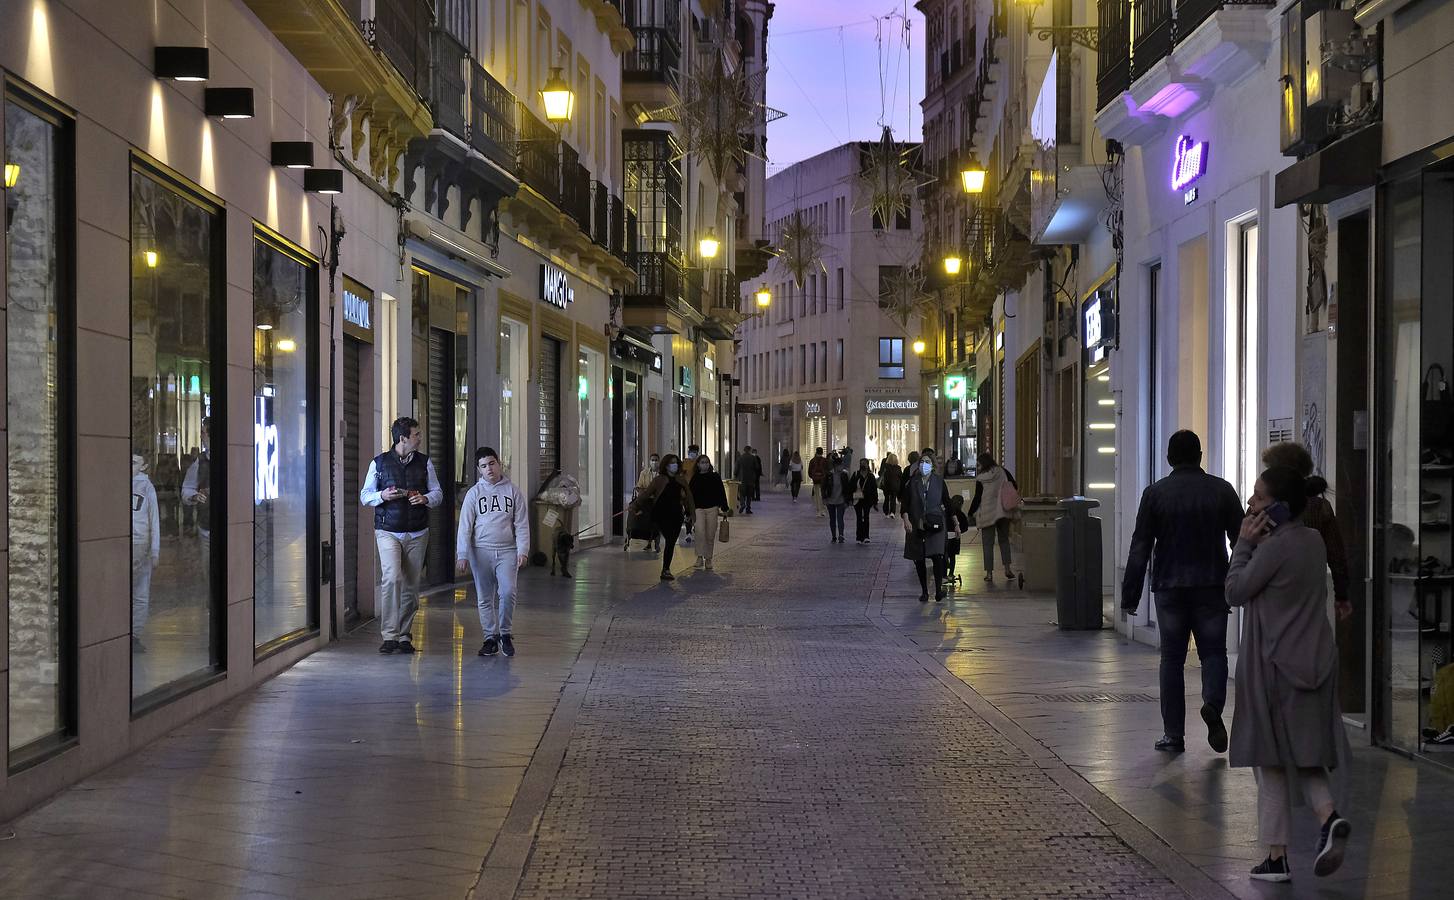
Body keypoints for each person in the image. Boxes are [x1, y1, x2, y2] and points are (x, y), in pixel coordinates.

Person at [1226, 466, 1353, 882]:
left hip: (1275, 666)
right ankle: (1319, 824)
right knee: (1306, 755)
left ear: (1279, 508)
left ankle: (1281, 855)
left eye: (1259, 498)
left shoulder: (1274, 549)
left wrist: (1244, 545)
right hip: (1315, 661)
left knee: (1271, 760)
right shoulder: (1312, 541)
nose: (1250, 503)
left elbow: (1236, 590)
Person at [1121, 430, 1245, 753]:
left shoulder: (1155, 494)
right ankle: (1213, 706)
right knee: (1214, 653)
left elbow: (1140, 547)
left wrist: (1130, 594)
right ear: (1200, 455)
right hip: (1212, 586)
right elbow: (1243, 540)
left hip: (1170, 588)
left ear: (1169, 458)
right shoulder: (1222, 490)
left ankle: (1174, 735)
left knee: (1172, 659)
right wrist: (1239, 577)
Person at [360, 416, 444, 654]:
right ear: (403, 438)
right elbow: (365, 495)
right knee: (392, 577)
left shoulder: (425, 463)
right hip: (388, 531)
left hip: (418, 531)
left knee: (410, 586)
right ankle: (389, 635)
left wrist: (425, 498)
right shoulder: (379, 463)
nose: (420, 438)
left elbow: (438, 493)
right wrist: (382, 497)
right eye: (416, 434)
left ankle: (404, 634)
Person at [1261, 442, 1353, 623]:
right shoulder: (1320, 507)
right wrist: (1341, 594)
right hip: (1310, 589)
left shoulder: (1263, 506)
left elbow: (1247, 547)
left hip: (1271, 587)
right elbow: (1337, 556)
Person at [455, 448, 530, 658]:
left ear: (499, 464)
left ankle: (505, 633)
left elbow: (522, 524)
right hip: (481, 552)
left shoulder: (513, 492)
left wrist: (523, 549)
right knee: (484, 597)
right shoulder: (473, 494)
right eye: (484, 466)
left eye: (492, 463)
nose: (489, 468)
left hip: (508, 551)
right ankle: (490, 637)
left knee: (507, 592)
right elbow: (465, 526)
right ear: (479, 470)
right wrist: (462, 554)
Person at [901, 450, 953, 602]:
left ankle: (938, 590)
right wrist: (906, 520)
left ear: (932, 465)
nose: (924, 465)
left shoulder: (939, 481)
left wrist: (955, 522)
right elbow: (905, 504)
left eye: (928, 462)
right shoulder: (912, 482)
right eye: (922, 462)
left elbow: (947, 502)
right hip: (917, 524)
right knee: (919, 558)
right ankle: (924, 591)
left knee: (937, 556)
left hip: (935, 523)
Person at [967, 452, 1019, 584]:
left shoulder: (981, 478)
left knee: (987, 544)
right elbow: (1014, 485)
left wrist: (970, 512)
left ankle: (989, 574)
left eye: (978, 464)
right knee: (1004, 541)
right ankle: (1007, 569)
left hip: (987, 513)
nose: (977, 467)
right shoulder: (1002, 472)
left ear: (983, 464)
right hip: (1003, 512)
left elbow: (977, 497)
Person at [642, 454, 694, 580]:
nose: (674, 465)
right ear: (666, 465)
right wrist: (634, 506)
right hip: (661, 515)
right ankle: (665, 569)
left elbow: (689, 497)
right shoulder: (658, 480)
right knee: (670, 539)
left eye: (676, 462)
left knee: (670, 542)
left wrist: (692, 513)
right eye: (671, 463)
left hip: (676, 515)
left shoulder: (681, 480)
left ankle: (666, 569)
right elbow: (645, 494)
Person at [130, 454, 160, 654]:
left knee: (140, 592)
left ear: (144, 466)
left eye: (134, 462)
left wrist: (155, 549)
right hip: (123, 543)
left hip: (141, 543)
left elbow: (154, 518)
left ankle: (135, 633)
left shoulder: (147, 487)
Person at [180, 415, 214, 583]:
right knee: (208, 573)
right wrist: (194, 496)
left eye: (204, 432)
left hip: (225, 526)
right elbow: (187, 488)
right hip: (206, 526)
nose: (201, 436)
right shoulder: (199, 462)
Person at [689, 454, 731, 571]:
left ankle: (708, 559)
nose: (705, 464)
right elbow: (690, 496)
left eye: (707, 462)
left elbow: (721, 492)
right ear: (698, 464)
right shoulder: (695, 478)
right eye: (702, 462)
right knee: (700, 532)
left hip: (712, 508)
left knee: (710, 534)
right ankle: (699, 556)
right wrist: (688, 511)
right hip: (699, 509)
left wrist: (725, 508)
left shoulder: (715, 477)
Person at [629, 453, 661, 552]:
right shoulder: (644, 473)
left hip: (657, 501)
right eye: (652, 460)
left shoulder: (662, 474)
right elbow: (639, 487)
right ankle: (644, 540)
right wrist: (646, 492)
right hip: (646, 500)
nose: (654, 462)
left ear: (659, 461)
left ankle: (656, 542)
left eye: (656, 460)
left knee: (655, 520)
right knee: (642, 518)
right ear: (649, 461)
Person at [849, 457, 879, 544]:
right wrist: (850, 499)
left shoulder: (871, 476)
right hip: (857, 500)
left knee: (866, 517)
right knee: (859, 518)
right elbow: (850, 487)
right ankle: (859, 537)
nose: (863, 465)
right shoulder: (855, 475)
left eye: (864, 463)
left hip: (867, 500)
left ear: (867, 465)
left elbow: (874, 489)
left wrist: (875, 502)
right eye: (861, 463)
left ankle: (866, 536)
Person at [822, 453, 851, 543]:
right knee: (832, 519)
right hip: (830, 500)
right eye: (840, 465)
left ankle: (841, 535)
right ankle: (834, 536)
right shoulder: (829, 475)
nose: (841, 467)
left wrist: (848, 501)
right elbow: (824, 487)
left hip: (841, 500)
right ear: (835, 466)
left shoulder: (844, 475)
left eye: (842, 465)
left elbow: (847, 488)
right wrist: (824, 498)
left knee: (840, 518)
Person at [945, 494, 971, 585]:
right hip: (955, 538)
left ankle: (943, 574)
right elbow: (965, 527)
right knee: (952, 557)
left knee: (945, 555)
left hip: (945, 538)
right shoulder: (961, 514)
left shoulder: (946, 512)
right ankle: (951, 574)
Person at [735, 445, 761, 514]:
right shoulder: (753, 458)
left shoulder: (740, 458)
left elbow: (736, 469)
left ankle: (743, 504)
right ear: (749, 450)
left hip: (742, 479)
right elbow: (757, 467)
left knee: (741, 493)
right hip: (751, 479)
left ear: (744, 450)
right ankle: (748, 508)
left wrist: (735, 475)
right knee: (749, 494)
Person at [682, 445, 700, 545]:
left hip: (697, 492)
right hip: (686, 493)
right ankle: (688, 532)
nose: (692, 453)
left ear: (697, 452)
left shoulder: (699, 463)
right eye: (691, 451)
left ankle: (694, 527)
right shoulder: (684, 463)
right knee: (687, 512)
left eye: (694, 451)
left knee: (697, 511)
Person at [879, 453, 902, 518]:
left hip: (886, 485)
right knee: (893, 499)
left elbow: (880, 473)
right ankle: (892, 512)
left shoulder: (885, 467)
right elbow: (901, 477)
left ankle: (886, 512)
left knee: (886, 499)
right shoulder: (898, 468)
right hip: (895, 486)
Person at [807, 448, 829, 517]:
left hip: (816, 480)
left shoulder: (812, 460)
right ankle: (823, 510)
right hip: (823, 480)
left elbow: (809, 471)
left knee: (817, 495)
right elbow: (828, 470)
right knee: (823, 494)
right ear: (822, 452)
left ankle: (818, 510)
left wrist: (813, 477)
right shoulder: (825, 460)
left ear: (816, 452)